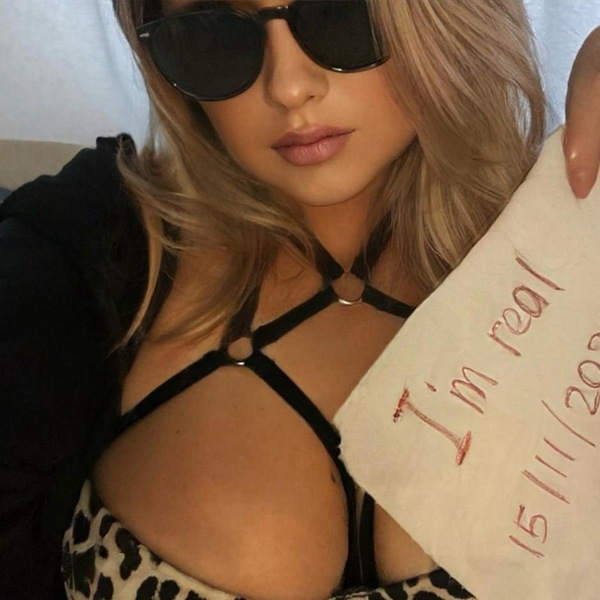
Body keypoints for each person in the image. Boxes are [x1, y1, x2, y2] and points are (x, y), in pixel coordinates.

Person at [0, 2, 599, 599]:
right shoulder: (88, 245)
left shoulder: (578, 242)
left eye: (343, 13)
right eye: (211, 33)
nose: (289, 87)